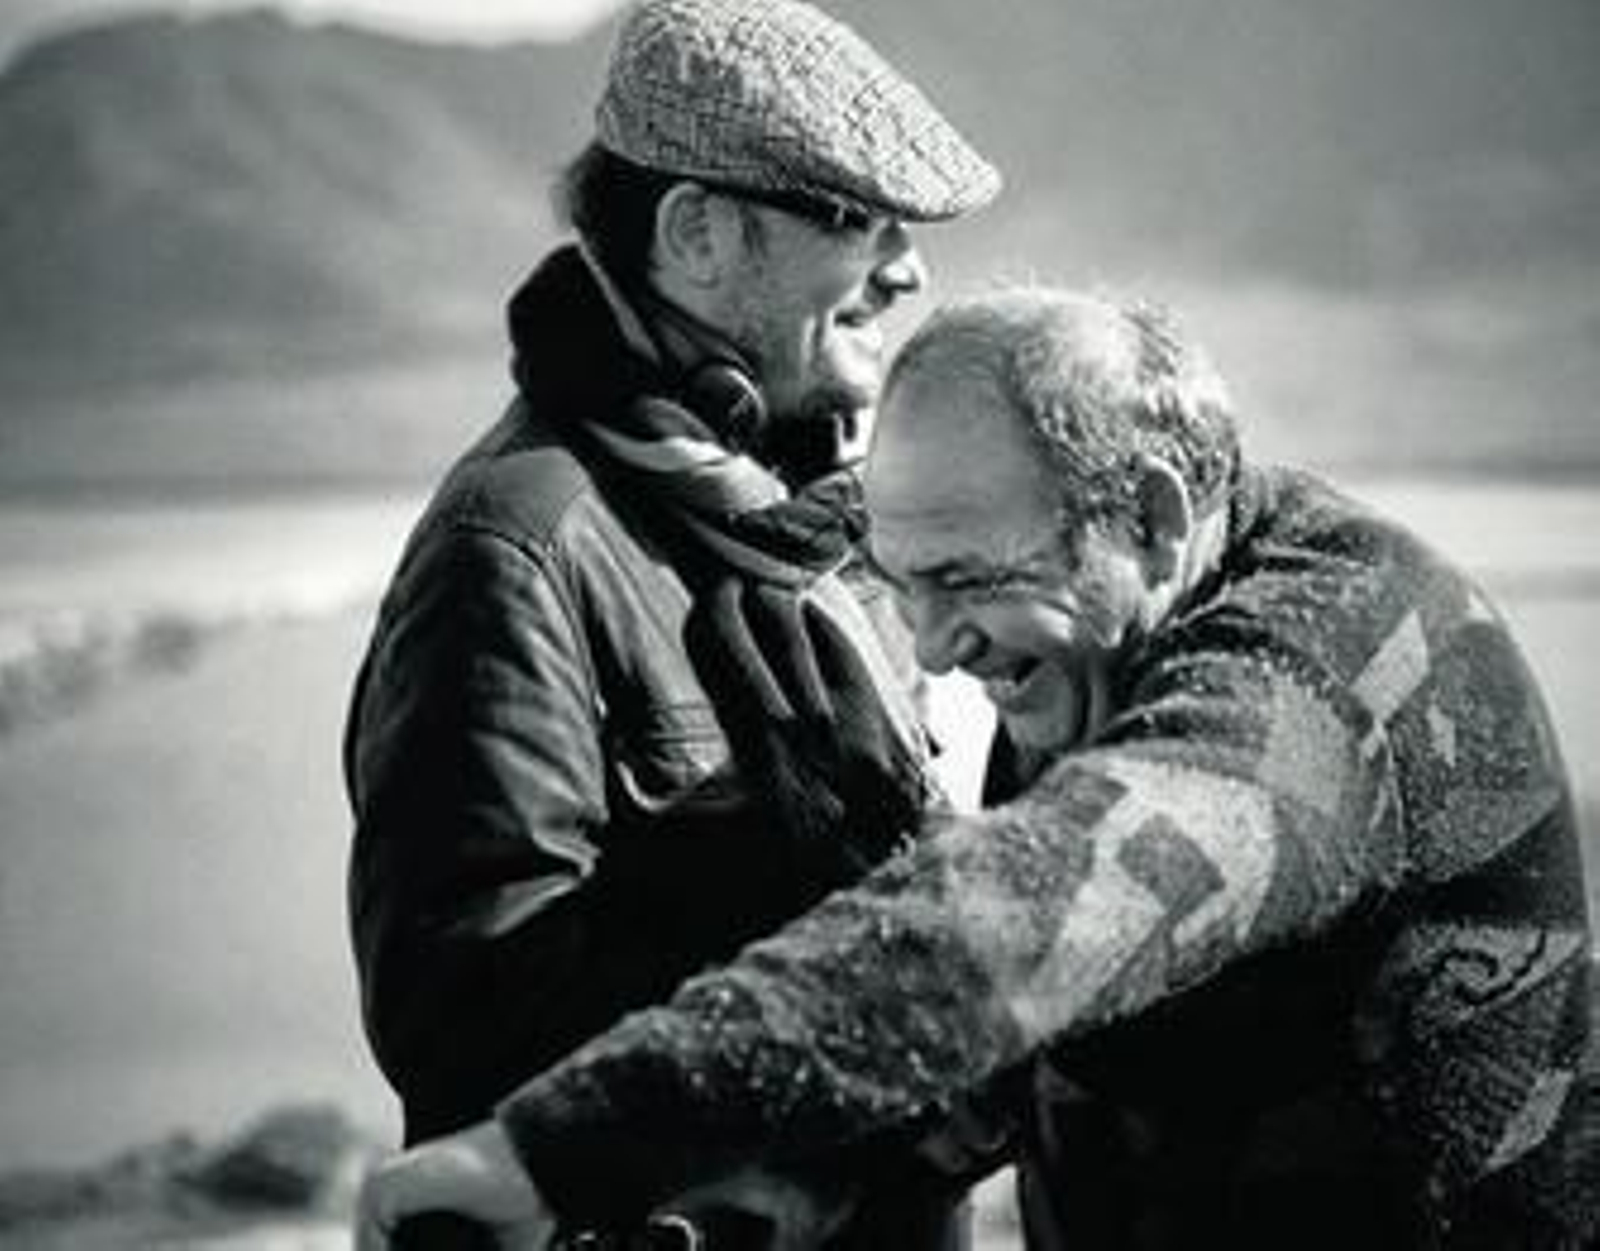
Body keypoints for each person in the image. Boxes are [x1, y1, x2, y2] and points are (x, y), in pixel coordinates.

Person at [355, 287, 1598, 1249]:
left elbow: (1022, 921)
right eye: (901, 586)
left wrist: (565, 1144)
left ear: (1152, 517)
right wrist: (793, 1178)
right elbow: (1042, 1042)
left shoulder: (1334, 668)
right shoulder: (1098, 652)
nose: (932, 648)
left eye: (963, 580)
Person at [341, 0, 999, 1246]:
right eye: (857, 219)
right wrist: (870, 958)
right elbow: (460, 1020)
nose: (907, 268)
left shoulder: (813, 515)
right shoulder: (514, 549)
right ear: (697, 233)